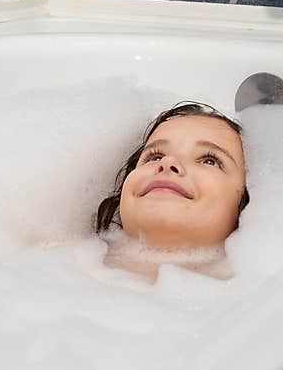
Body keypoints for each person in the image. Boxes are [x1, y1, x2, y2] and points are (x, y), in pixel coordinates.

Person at [94, 101, 250, 282]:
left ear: (249, 203)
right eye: (155, 156)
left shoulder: (267, 295)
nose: (168, 162)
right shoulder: (64, 261)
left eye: (209, 160)